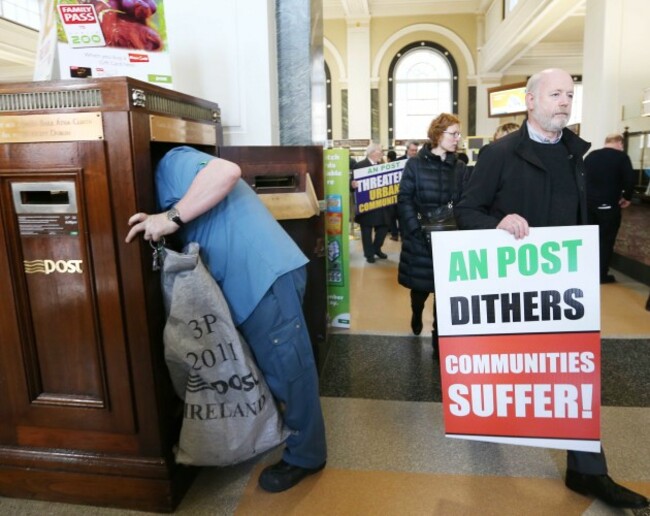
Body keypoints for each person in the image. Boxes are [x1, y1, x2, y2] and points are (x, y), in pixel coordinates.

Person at [455, 68, 649, 510]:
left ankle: (588, 471)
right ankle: (485, 436)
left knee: (572, 377)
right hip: (510, 290)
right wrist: (497, 224)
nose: (564, 101)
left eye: (569, 94)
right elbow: (467, 211)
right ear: (530, 101)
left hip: (563, 290)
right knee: (508, 377)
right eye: (555, 94)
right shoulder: (499, 154)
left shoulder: (573, 155)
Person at [125, 146, 327, 493]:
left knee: (290, 371)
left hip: (262, 276)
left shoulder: (172, 160)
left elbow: (226, 171)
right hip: (254, 278)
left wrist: (168, 218)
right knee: (279, 366)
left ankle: (307, 456)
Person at [397, 113, 466, 359]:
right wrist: (414, 230)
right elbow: (404, 198)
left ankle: (439, 340)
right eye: (453, 134)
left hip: (449, 240)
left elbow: (464, 202)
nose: (458, 139)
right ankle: (416, 313)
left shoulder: (459, 167)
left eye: (459, 134)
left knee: (443, 293)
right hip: (420, 239)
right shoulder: (415, 164)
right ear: (438, 134)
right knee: (420, 290)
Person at [584, 133, 636, 283]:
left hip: (588, 206)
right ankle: (601, 275)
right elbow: (630, 180)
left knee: (590, 239)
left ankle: (586, 271)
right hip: (608, 206)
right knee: (606, 240)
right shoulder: (622, 157)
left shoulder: (591, 156)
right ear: (620, 143)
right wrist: (627, 198)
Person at [352, 143, 390, 263]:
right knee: (366, 231)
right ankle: (369, 254)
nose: (382, 153)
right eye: (380, 151)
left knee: (384, 227)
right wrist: (352, 185)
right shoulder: (359, 165)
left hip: (380, 204)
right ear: (373, 152)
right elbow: (351, 183)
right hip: (366, 204)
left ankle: (376, 248)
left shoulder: (382, 165)